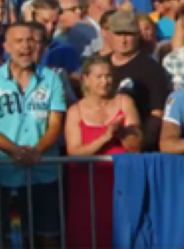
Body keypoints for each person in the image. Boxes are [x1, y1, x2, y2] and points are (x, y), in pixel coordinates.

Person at [0, 24, 67, 248]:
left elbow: (55, 123)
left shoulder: (51, 79)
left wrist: (37, 150)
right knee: (16, 237)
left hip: (46, 171)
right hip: (9, 172)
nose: (26, 46)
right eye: (18, 41)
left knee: (49, 235)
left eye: (30, 40)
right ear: (7, 46)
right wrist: (16, 151)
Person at [65, 54, 141, 249]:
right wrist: (105, 138)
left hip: (123, 182)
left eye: (108, 76)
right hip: (88, 187)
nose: (105, 81)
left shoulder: (125, 102)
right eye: (99, 77)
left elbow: (136, 145)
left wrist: (123, 132)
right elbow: (74, 152)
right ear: (86, 80)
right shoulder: (75, 111)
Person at [108, 9, 170, 151]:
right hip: (102, 148)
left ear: (137, 36)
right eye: (119, 34)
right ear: (109, 35)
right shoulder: (100, 65)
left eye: (129, 35)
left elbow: (157, 113)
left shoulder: (152, 69)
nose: (123, 40)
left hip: (138, 149)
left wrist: (140, 145)